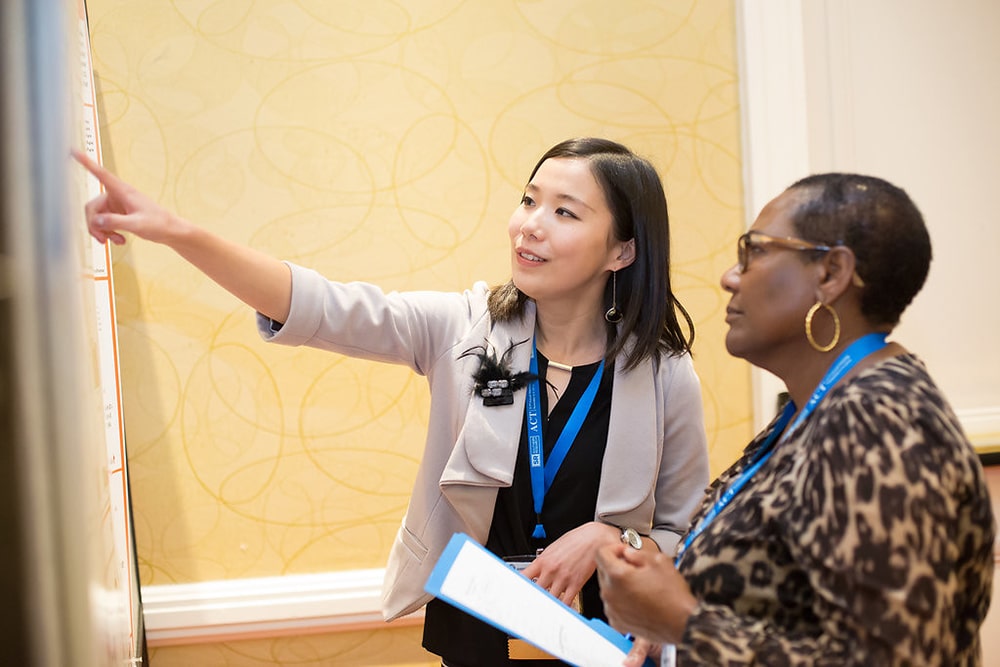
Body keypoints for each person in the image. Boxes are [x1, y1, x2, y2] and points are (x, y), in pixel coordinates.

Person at [74, 137, 711, 666]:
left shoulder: (664, 374)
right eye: (528, 199)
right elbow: (317, 304)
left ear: (622, 250)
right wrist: (177, 233)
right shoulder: (463, 330)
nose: (530, 225)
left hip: (605, 637)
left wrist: (610, 536)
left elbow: (684, 530)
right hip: (478, 624)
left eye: (566, 213)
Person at [595, 172, 996, 666]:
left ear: (831, 274)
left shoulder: (877, 422)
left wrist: (685, 623)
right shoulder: (814, 412)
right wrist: (671, 631)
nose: (731, 276)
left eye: (755, 252)